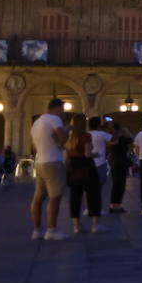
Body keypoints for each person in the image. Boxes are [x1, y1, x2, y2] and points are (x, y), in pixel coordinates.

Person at [29, 98, 69, 240]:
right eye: (62, 109)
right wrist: (66, 130)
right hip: (53, 162)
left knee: (38, 197)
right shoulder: (54, 119)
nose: (63, 112)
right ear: (57, 108)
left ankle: (37, 230)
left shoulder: (36, 123)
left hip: (40, 162)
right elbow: (63, 138)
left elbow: (34, 147)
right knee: (55, 196)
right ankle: (52, 230)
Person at [65, 114, 107, 234]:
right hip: (87, 166)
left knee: (75, 196)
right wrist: (96, 154)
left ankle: (76, 226)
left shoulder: (69, 138)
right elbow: (87, 154)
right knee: (93, 195)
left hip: (73, 167)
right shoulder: (86, 135)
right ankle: (95, 225)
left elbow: (66, 156)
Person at [87, 116, 113, 207]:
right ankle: (96, 208)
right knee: (99, 187)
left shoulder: (86, 134)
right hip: (100, 163)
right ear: (99, 125)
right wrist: (110, 127)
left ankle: (89, 207)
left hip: (88, 163)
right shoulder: (102, 134)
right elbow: (113, 140)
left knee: (89, 187)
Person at [107, 123, 133, 213]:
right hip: (121, 162)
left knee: (115, 184)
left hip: (114, 162)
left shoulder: (110, 139)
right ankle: (117, 205)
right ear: (119, 130)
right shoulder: (122, 139)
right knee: (121, 184)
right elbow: (132, 138)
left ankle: (112, 204)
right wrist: (126, 130)